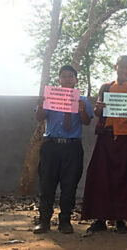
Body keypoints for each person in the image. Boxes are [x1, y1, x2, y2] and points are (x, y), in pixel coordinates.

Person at [81, 55, 127, 234]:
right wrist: (98, 109)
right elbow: (98, 110)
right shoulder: (106, 87)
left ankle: (121, 219)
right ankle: (100, 219)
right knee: (101, 178)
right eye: (120, 67)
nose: (123, 70)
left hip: (125, 138)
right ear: (115, 67)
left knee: (124, 179)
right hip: (106, 137)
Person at [34, 65, 93, 234]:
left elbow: (87, 122)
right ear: (59, 80)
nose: (67, 79)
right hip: (51, 146)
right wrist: (40, 105)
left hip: (72, 147)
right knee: (47, 184)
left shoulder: (82, 100)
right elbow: (39, 117)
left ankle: (65, 221)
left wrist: (81, 109)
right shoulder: (50, 97)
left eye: (70, 76)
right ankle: (44, 220)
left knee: (69, 185)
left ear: (76, 80)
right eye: (64, 76)